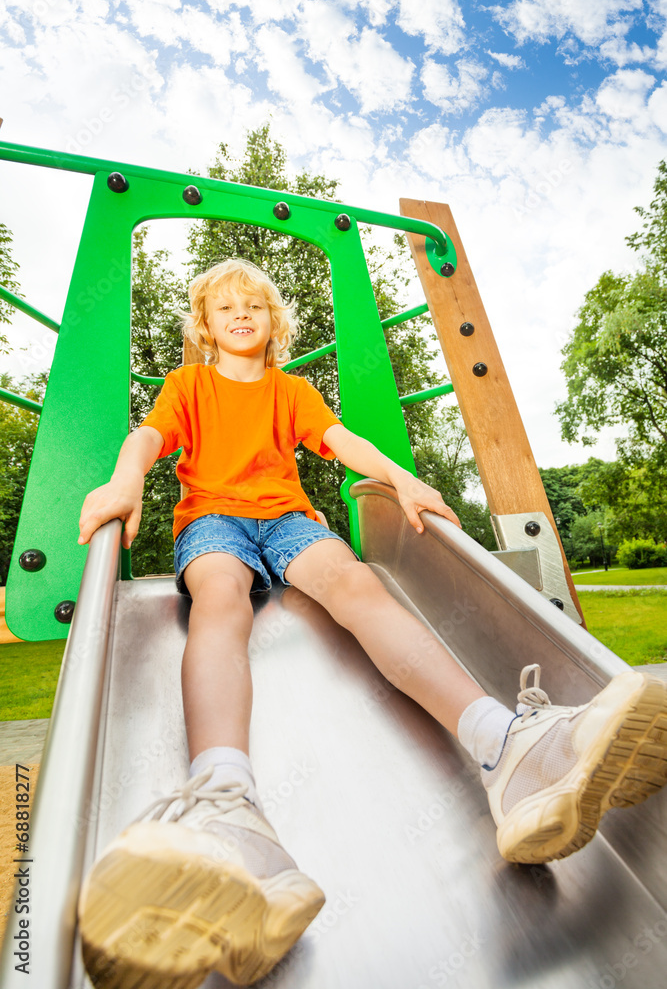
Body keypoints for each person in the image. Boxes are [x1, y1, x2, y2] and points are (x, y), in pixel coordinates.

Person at [76, 258, 667, 989]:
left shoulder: (290, 390)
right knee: (218, 600)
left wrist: (402, 478)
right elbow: (149, 439)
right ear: (204, 324)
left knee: (355, 583)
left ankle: (503, 746)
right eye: (223, 307)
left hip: (290, 521)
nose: (239, 315)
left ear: (271, 323)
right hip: (214, 523)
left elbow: (340, 443)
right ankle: (225, 800)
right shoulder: (189, 385)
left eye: (253, 306)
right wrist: (127, 477)